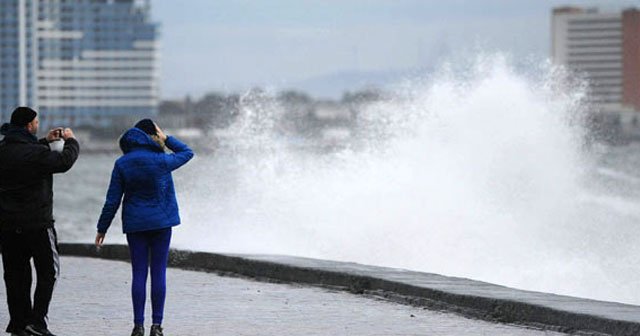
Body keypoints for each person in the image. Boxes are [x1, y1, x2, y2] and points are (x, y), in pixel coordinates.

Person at [95, 119, 194, 336]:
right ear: (151, 135)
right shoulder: (161, 159)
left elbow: (112, 200)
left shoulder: (122, 163)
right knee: (158, 273)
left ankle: (138, 326)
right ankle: (156, 327)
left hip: (136, 225)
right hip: (161, 223)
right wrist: (166, 138)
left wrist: (102, 228)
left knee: (138, 273)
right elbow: (187, 152)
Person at [0, 107, 80, 336]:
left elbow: (25, 154)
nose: (37, 125)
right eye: (36, 123)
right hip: (37, 224)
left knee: (15, 276)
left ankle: (19, 324)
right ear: (28, 126)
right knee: (49, 272)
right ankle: (37, 322)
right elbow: (63, 161)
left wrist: (45, 140)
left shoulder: (4, 149)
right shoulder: (35, 154)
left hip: (7, 225)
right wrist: (72, 141)